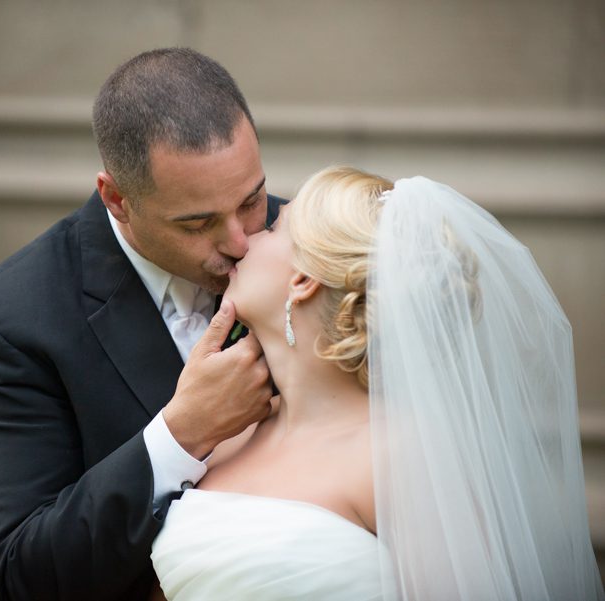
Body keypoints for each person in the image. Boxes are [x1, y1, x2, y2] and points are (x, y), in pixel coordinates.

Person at [151, 166, 604, 600]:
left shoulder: (405, 456)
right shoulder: (229, 432)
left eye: (272, 228)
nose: (245, 240)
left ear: (303, 278)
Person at [0, 48, 283, 601]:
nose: (240, 242)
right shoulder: (10, 321)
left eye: (251, 200)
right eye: (197, 223)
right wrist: (182, 434)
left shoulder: (314, 250)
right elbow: (27, 575)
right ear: (118, 199)